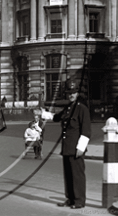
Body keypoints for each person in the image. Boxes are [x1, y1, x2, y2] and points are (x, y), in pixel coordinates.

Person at [42, 81, 91, 209]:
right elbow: (56, 118)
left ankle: (79, 200)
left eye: (73, 93)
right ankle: (70, 198)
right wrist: (42, 114)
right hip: (67, 147)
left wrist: (81, 147)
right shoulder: (68, 108)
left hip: (76, 148)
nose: (71, 95)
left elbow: (86, 130)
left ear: (77, 94)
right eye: (69, 93)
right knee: (68, 174)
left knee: (77, 175)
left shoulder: (82, 109)